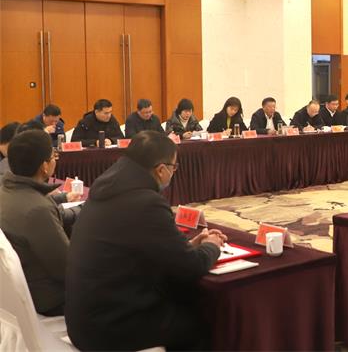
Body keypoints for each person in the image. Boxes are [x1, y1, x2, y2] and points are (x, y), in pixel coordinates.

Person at [65, 131, 225, 351]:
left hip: (83, 320)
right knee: (200, 322)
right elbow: (191, 267)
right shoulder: (145, 201)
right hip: (109, 328)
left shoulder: (105, 189)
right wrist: (212, 246)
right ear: (161, 170)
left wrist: (188, 247)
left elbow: (141, 248)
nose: (174, 173)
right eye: (174, 168)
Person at [0, 130, 76, 316]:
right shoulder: (38, 210)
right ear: (44, 166)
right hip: (50, 299)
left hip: (17, 294)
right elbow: (68, 270)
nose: (55, 160)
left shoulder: (5, 192)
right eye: (53, 156)